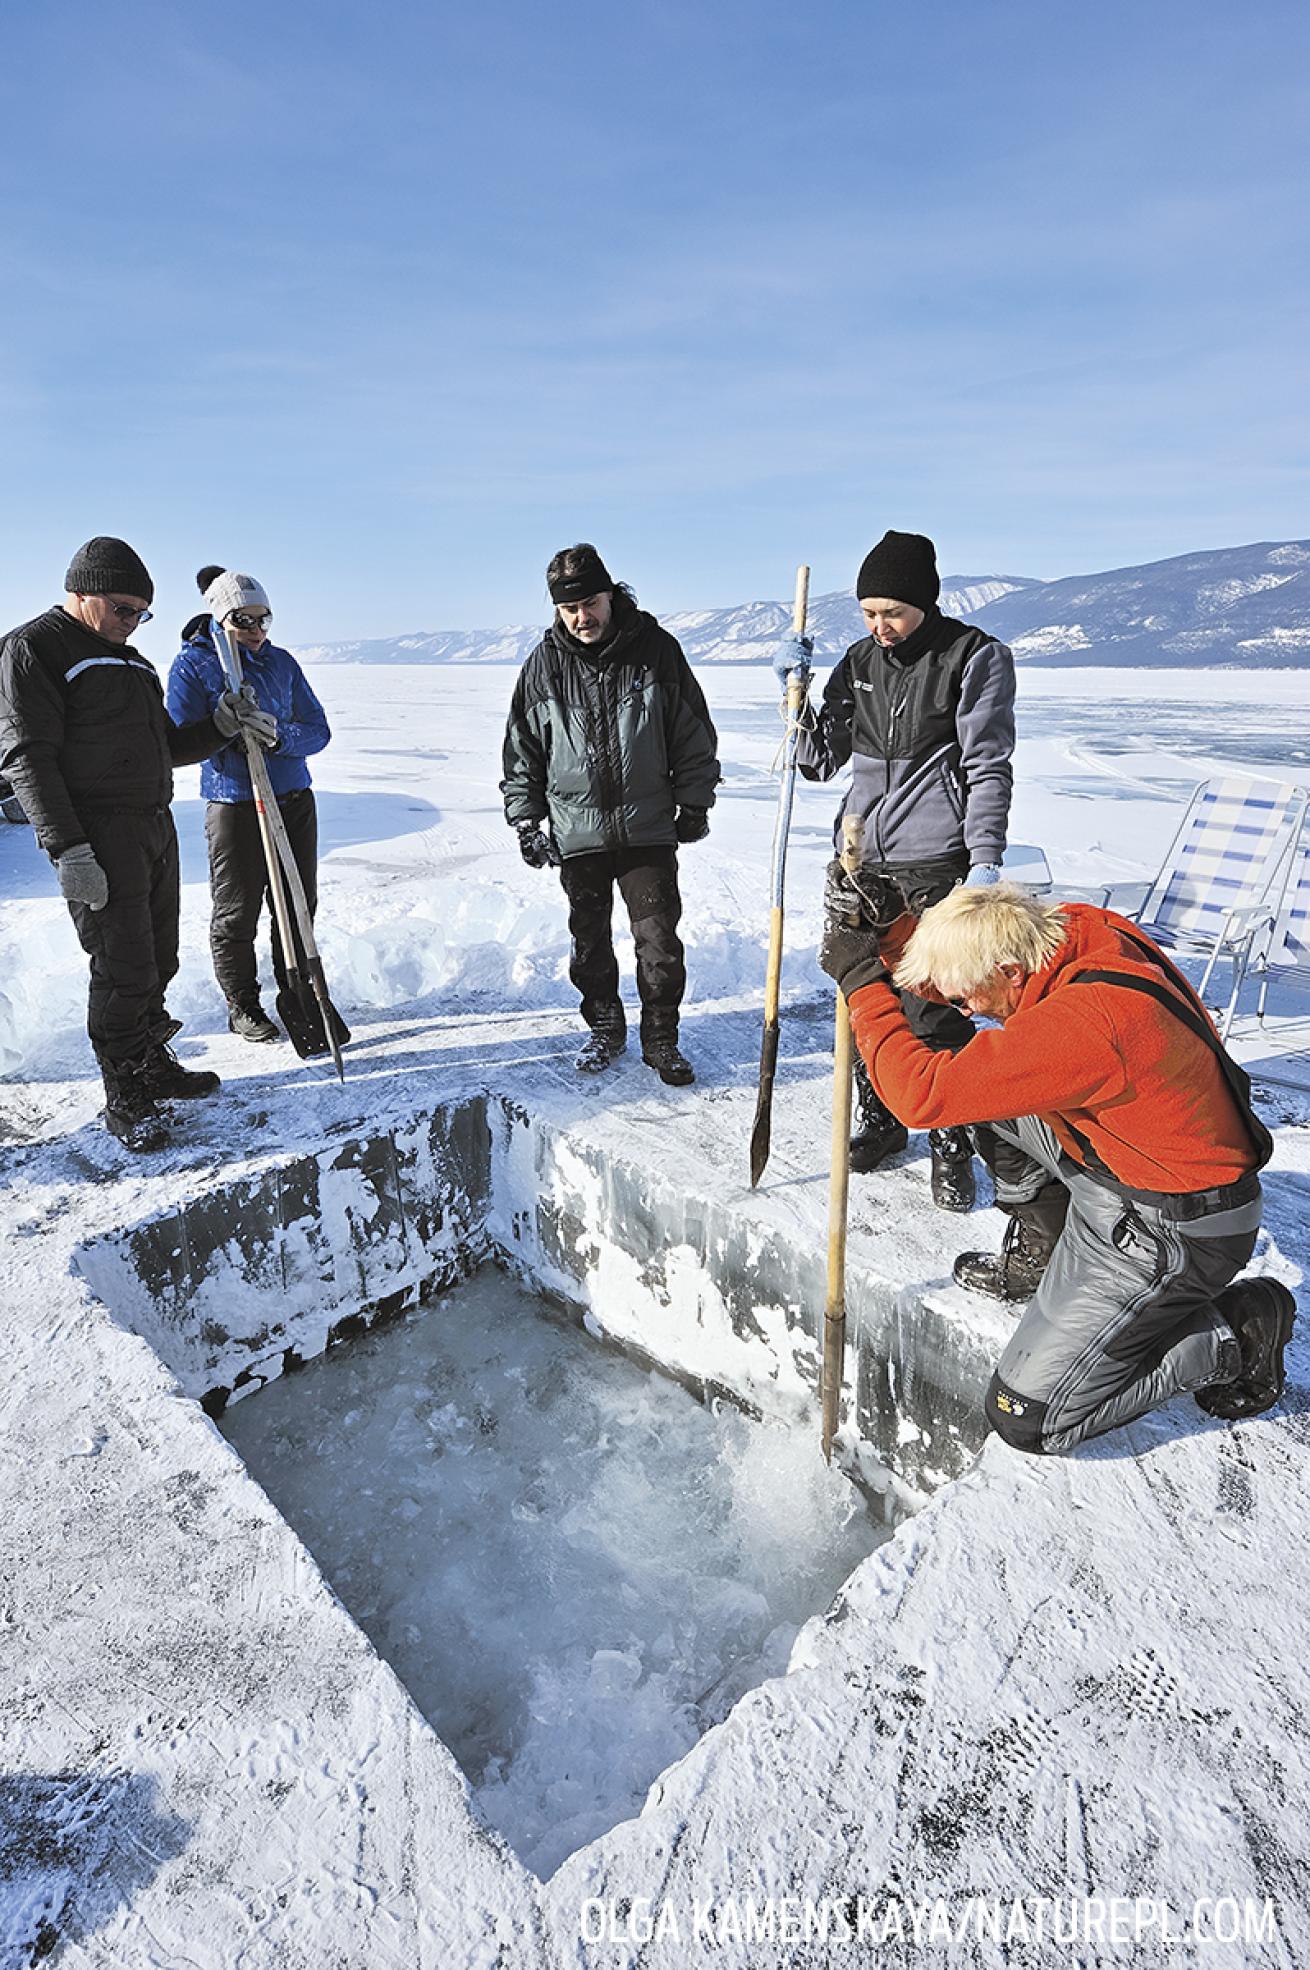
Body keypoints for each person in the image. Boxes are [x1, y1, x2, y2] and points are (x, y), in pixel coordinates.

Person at [819, 880, 1297, 1452]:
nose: (962, 1009)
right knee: (986, 1098)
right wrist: (896, 934)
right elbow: (967, 985)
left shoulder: (1086, 1023)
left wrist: (862, 986)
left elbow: (921, 1097)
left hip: (1174, 1229)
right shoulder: (1070, 930)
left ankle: (1235, 1333)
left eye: (968, 999)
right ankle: (1044, 1250)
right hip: (1118, 1158)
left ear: (1010, 973)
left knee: (1028, 1418)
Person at [0, 537, 273, 1150]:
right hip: (96, 833)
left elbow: (165, 750)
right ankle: (125, 1095)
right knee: (122, 969)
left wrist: (219, 727)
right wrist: (67, 848)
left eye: (141, 613)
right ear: (82, 592)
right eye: (123, 609)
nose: (132, 623)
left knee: (159, 960)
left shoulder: (134, 663)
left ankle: (152, 1063)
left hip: (151, 824)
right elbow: (28, 757)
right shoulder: (34, 649)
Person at [779, 530, 1016, 1213]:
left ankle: (949, 1142)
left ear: (924, 603)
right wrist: (794, 700)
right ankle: (881, 1122)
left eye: (893, 613)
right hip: (859, 858)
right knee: (864, 1000)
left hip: (936, 861)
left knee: (933, 1010)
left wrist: (984, 859)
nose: (881, 628)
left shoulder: (973, 659)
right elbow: (819, 762)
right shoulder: (858, 662)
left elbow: (987, 764)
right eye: (868, 613)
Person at [500, 543, 720, 1085]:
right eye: (568, 609)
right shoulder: (543, 666)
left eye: (590, 602)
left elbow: (691, 731)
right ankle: (604, 1028)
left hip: (647, 828)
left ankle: (661, 1039)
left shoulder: (655, 651)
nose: (581, 617)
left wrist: (694, 801)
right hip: (577, 833)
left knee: (660, 942)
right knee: (588, 942)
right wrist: (526, 821)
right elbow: (522, 749)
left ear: (610, 594)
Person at [167, 566, 336, 1049]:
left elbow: (319, 729)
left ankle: (302, 991)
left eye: (265, 620)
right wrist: (223, 726)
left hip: (294, 798)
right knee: (238, 911)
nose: (258, 631)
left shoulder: (281, 663)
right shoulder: (193, 666)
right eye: (245, 620)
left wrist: (279, 735)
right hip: (235, 803)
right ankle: (242, 1004)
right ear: (221, 619)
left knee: (299, 904)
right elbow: (179, 741)